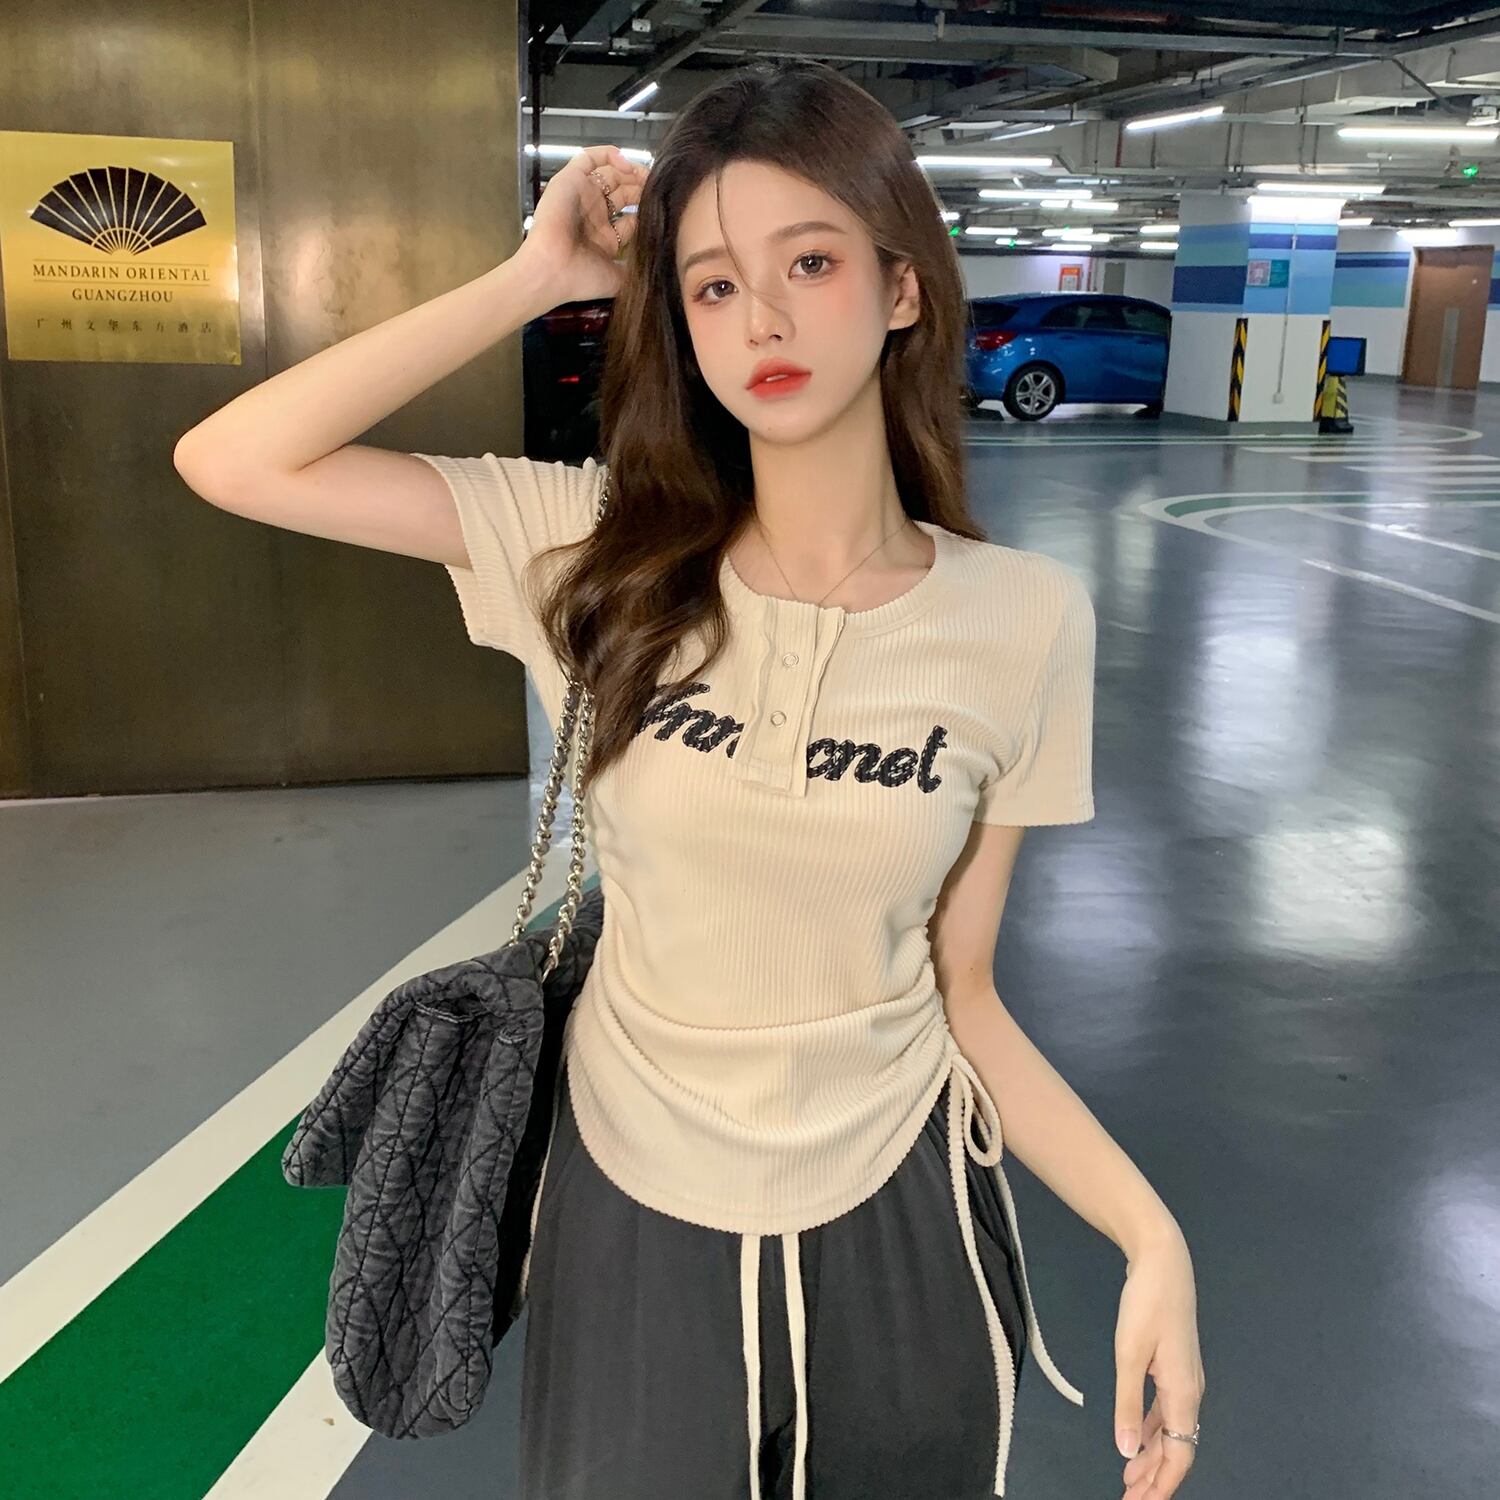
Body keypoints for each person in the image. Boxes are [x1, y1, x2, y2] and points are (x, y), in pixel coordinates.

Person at [174, 57, 1204, 1500]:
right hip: (630, 1197)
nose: (761, 317)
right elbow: (235, 458)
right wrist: (537, 277)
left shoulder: (1023, 619)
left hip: (900, 1203)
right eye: (714, 286)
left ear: (903, 288)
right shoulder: (592, 552)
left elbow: (963, 991)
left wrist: (1151, 1236)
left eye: (811, 262)